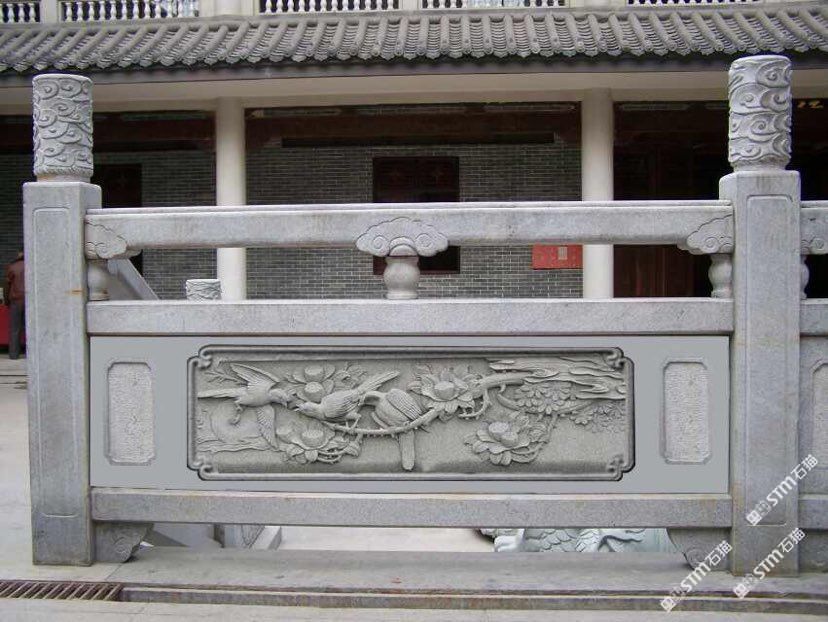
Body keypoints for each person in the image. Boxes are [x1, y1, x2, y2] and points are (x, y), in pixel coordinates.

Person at [4, 251, 25, 359]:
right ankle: (32, 353)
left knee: (15, 328)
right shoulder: (34, 266)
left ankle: (13, 354)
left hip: (16, 300)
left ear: (20, 254)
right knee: (31, 327)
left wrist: (6, 300)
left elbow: (7, 286)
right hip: (30, 300)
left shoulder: (13, 267)